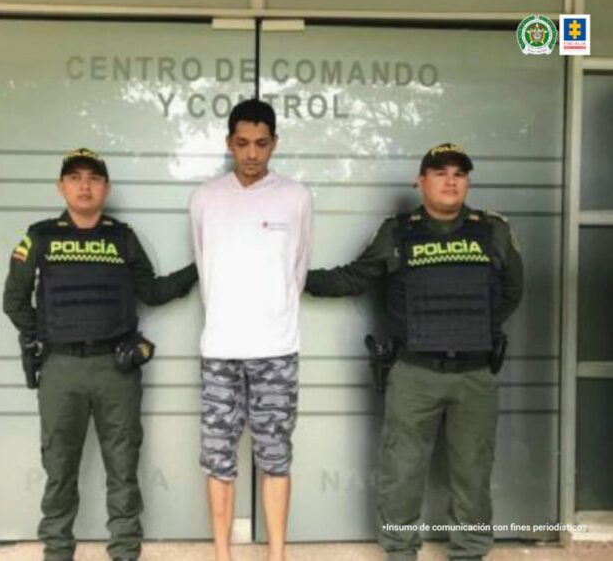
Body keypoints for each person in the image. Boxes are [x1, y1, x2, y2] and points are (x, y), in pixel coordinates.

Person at [305, 143, 524, 561]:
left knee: (473, 474)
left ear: (467, 182)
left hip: (475, 373)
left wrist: (476, 330)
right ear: (421, 181)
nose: (450, 180)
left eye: (459, 173)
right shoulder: (397, 231)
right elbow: (354, 278)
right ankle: (401, 552)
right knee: (401, 472)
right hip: (413, 372)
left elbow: (513, 290)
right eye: (439, 172)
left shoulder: (492, 230)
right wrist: (292, 273)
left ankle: (469, 552)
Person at [3, 147, 197, 561]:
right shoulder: (39, 236)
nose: (84, 185)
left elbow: (152, 291)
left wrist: (199, 269)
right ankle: (57, 551)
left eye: (93, 177)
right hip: (61, 368)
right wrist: (49, 334)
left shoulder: (122, 237)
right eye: (75, 177)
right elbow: (14, 301)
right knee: (59, 468)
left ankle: (125, 552)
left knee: (123, 467)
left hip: (116, 369)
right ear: (61, 187)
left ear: (106, 187)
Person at [189, 98, 313, 561]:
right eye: (242, 143)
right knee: (219, 459)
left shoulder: (296, 196)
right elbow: (206, 265)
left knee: (275, 455)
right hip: (220, 348)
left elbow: (296, 270)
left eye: (262, 144)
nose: (252, 154)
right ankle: (223, 554)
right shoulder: (205, 197)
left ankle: (276, 554)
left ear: (274, 143)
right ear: (229, 143)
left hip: (277, 349)